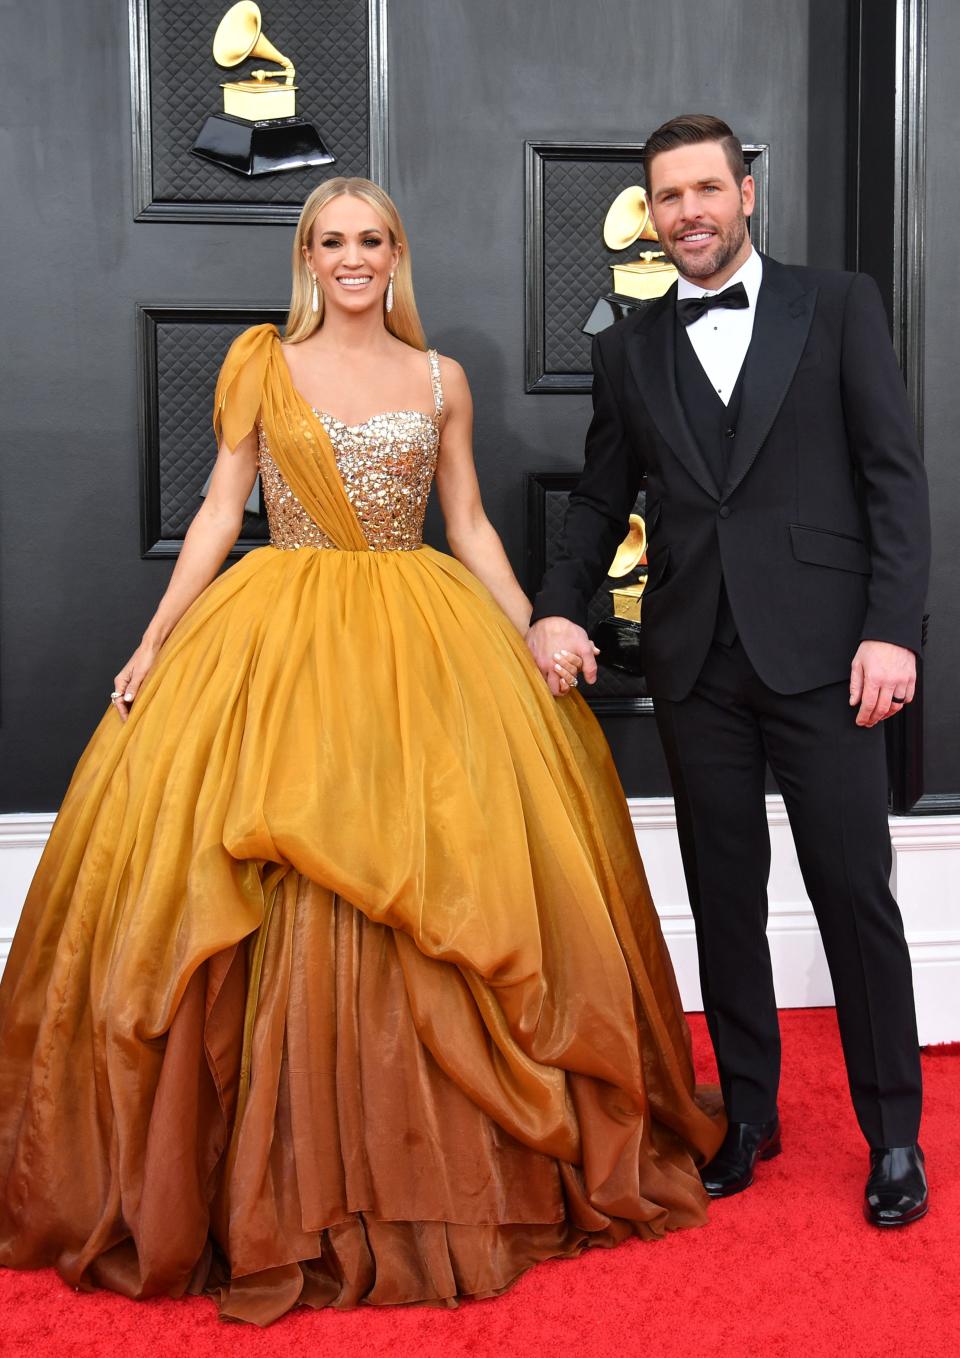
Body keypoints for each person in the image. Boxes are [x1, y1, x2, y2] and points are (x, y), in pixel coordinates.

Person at [0, 177, 724, 1325]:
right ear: (307, 254)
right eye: (330, 241)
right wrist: (153, 639)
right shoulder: (261, 367)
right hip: (278, 630)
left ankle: (440, 1163)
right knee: (266, 864)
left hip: (419, 629)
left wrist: (529, 624)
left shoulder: (441, 379)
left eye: (370, 240)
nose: (351, 258)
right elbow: (215, 512)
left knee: (441, 871)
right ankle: (267, 1174)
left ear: (396, 254)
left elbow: (471, 519)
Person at [527, 115, 931, 1227]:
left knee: (857, 896)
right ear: (651, 215)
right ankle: (747, 1110)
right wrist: (556, 602)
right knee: (724, 895)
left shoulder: (838, 303)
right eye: (667, 196)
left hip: (828, 657)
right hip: (695, 659)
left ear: (746, 192)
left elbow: (893, 475)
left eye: (706, 188)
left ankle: (894, 1132)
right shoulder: (629, 346)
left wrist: (893, 628)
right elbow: (603, 496)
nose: (688, 212)